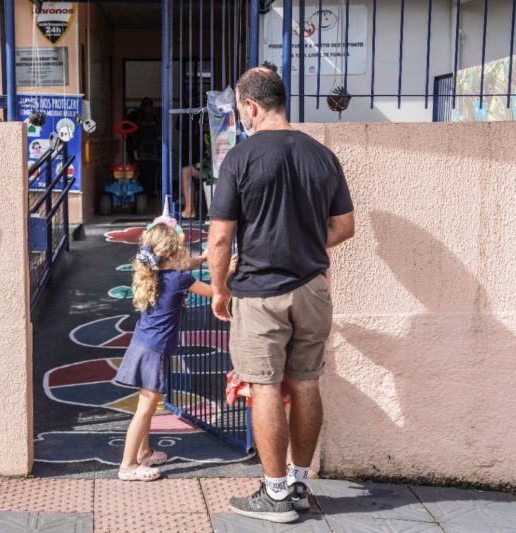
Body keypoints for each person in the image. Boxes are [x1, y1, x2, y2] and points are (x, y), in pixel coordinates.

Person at [208, 67, 355, 523]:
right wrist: (304, 243)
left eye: (240, 109)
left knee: (265, 386)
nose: (240, 117)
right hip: (312, 289)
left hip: (259, 294)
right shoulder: (322, 156)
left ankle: (274, 496)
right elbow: (344, 227)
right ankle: (298, 483)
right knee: (306, 382)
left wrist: (218, 289)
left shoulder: (240, 157)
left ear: (250, 105)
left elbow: (219, 239)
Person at [115, 216, 236, 481]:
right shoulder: (179, 280)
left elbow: (186, 266)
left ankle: (144, 452)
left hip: (143, 345)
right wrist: (227, 270)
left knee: (145, 406)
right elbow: (214, 290)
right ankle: (128, 465)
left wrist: (204, 258)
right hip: (154, 350)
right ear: (173, 253)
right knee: (145, 409)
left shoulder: (157, 272)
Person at [127, 97, 161, 195]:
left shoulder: (154, 117)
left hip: (152, 147)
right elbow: (133, 133)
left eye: (149, 105)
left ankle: (150, 191)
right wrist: (135, 147)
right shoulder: (137, 117)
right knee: (141, 170)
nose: (147, 107)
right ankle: (141, 191)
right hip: (140, 147)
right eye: (146, 105)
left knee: (152, 170)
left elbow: (158, 132)